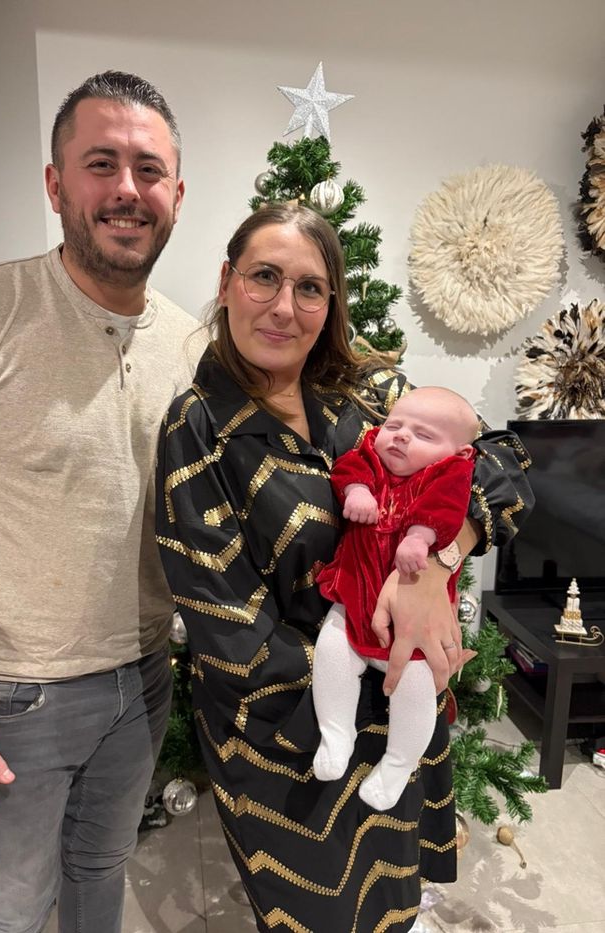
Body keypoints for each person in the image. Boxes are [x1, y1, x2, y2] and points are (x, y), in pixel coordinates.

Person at [156, 202, 533, 932]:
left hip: (396, 713)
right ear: (228, 282)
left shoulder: (372, 395)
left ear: (331, 304)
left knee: (393, 903)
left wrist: (439, 564)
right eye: (264, 277)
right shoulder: (198, 427)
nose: (284, 306)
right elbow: (225, 617)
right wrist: (368, 679)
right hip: (288, 736)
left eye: (310, 287)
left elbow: (502, 461)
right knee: (317, 912)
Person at [0, 71, 202, 933]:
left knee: (101, 872)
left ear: (176, 196)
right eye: (100, 163)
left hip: (143, 680)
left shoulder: (189, 344)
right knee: (8, 910)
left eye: (149, 170)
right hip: (8, 697)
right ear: (55, 183)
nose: (127, 189)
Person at [313, 386, 479, 811]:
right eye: (394, 425)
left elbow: (446, 507)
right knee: (331, 651)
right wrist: (357, 491)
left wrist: (420, 537)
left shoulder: (449, 472)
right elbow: (349, 466)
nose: (401, 436)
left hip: (413, 625)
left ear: (458, 452)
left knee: (418, 689)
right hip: (355, 596)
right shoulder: (372, 454)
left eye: (423, 435)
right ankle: (336, 734)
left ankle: (399, 763)